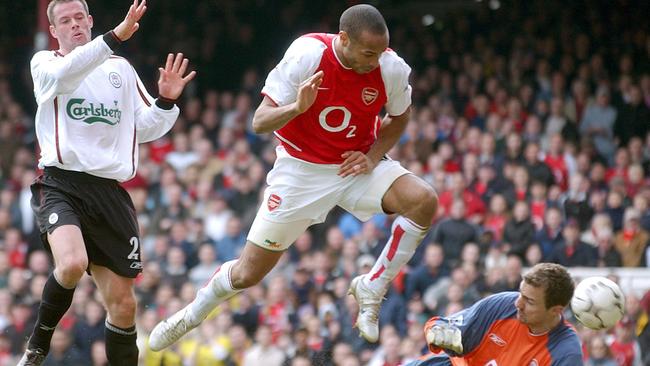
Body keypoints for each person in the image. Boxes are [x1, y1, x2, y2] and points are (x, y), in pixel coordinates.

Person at [150, 3, 437, 350]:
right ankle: (192, 315)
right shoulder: (307, 54)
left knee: (424, 201)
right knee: (248, 274)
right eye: (367, 52)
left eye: (379, 51)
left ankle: (373, 286)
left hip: (353, 165)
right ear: (343, 39)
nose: (374, 60)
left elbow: (400, 117)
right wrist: (298, 108)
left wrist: (373, 156)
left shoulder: (390, 67)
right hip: (301, 172)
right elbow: (259, 121)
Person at [19, 0, 195, 365]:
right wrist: (114, 37)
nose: (74, 25)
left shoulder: (121, 69)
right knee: (69, 265)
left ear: (90, 20)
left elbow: (144, 127)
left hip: (109, 191)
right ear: (54, 31)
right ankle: (37, 347)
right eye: (65, 21)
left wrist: (166, 99)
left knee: (124, 306)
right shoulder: (45, 63)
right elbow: (64, 76)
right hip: (61, 183)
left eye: (79, 17)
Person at [407, 263, 583, 366]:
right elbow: (446, 327)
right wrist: (437, 331)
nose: (518, 304)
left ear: (556, 310)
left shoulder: (565, 354)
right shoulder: (503, 305)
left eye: (529, 301)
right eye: (521, 293)